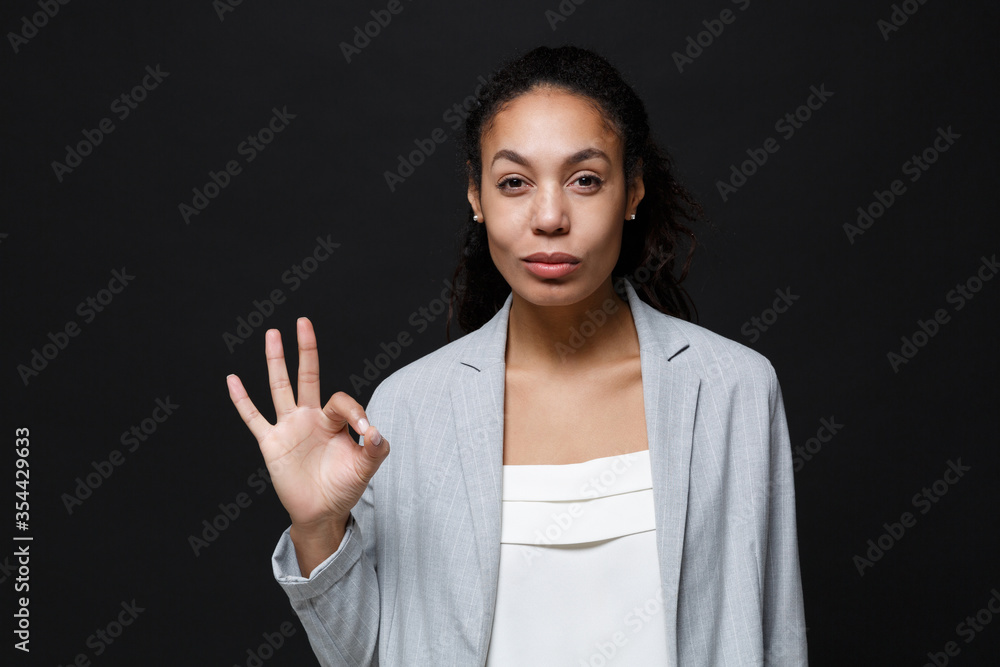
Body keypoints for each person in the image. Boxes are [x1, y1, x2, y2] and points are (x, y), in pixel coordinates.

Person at [227, 44, 808, 666]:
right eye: (514, 183)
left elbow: (774, 637)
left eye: (585, 179)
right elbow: (365, 658)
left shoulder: (732, 389)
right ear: (477, 198)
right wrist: (318, 527)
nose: (550, 216)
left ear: (633, 191)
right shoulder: (408, 411)